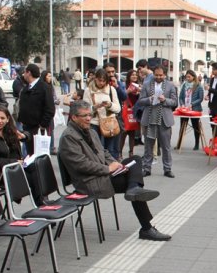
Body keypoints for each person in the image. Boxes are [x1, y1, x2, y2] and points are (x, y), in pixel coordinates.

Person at [58, 100, 171, 241]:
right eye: (84, 116)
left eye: (89, 115)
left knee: (135, 159)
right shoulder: (69, 137)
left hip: (102, 175)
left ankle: (134, 189)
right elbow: (81, 165)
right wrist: (107, 168)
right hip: (89, 182)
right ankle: (146, 227)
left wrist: (115, 164)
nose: (88, 118)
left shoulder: (90, 132)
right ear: (74, 117)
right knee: (134, 185)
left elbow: (103, 152)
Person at [136, 65, 177, 178]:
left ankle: (167, 169)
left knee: (166, 146)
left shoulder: (170, 85)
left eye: (161, 75)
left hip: (164, 120)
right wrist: (149, 99)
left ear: (165, 75)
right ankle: (146, 168)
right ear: (153, 74)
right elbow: (140, 101)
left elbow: (174, 102)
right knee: (148, 146)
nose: (159, 77)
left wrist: (165, 100)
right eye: (156, 75)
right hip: (149, 118)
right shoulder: (146, 84)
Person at [82, 68, 121, 159]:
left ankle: (112, 168)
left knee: (110, 150)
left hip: (109, 123)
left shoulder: (111, 90)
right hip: (94, 123)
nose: (102, 83)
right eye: (100, 80)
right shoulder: (88, 90)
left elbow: (118, 108)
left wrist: (109, 105)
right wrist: (95, 107)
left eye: (104, 81)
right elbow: (84, 109)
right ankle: (99, 167)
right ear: (95, 78)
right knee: (95, 149)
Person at [17, 63, 55, 155]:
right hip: (27, 127)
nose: (23, 75)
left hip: (38, 129)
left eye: (25, 72)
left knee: (38, 155)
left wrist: (42, 125)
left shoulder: (44, 87)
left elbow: (50, 109)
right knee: (30, 153)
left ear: (29, 73)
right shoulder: (26, 88)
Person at [103, 62, 127, 160]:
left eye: (113, 71)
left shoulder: (118, 83)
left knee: (115, 144)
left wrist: (116, 86)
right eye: (108, 72)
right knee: (104, 144)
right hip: (103, 118)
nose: (111, 74)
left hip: (116, 117)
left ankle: (115, 160)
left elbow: (124, 96)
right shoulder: (100, 83)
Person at [179, 69, 204, 151]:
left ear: (193, 77)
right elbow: (180, 97)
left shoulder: (198, 86)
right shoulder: (184, 85)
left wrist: (192, 104)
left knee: (196, 126)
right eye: (186, 77)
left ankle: (196, 144)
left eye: (189, 77)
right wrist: (182, 104)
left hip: (194, 109)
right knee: (182, 126)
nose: (187, 78)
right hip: (184, 109)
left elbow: (200, 98)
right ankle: (179, 143)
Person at [120, 69, 141, 158]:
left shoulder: (139, 86)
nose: (134, 76)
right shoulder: (124, 86)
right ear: (128, 76)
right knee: (124, 132)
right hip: (126, 110)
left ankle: (131, 152)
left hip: (134, 111)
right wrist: (127, 91)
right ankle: (119, 152)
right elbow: (121, 97)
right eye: (132, 75)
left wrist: (140, 92)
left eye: (136, 75)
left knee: (132, 132)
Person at [40, 69, 60, 155]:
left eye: (51, 76)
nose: (50, 78)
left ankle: (51, 147)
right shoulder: (43, 87)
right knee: (47, 131)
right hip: (45, 113)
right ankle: (47, 148)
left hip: (51, 112)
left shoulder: (50, 86)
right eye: (48, 76)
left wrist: (56, 100)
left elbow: (54, 97)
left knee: (51, 130)